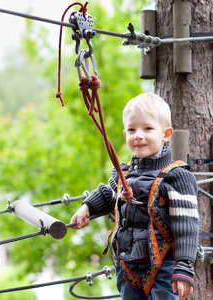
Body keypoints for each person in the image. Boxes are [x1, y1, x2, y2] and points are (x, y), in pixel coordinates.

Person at [71, 93, 199, 300]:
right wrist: (87, 207)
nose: (138, 135)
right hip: (127, 266)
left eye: (147, 128)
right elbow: (107, 194)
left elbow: (187, 228)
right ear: (125, 135)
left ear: (165, 134)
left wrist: (184, 268)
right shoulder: (123, 174)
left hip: (163, 268)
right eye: (132, 130)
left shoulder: (177, 177)